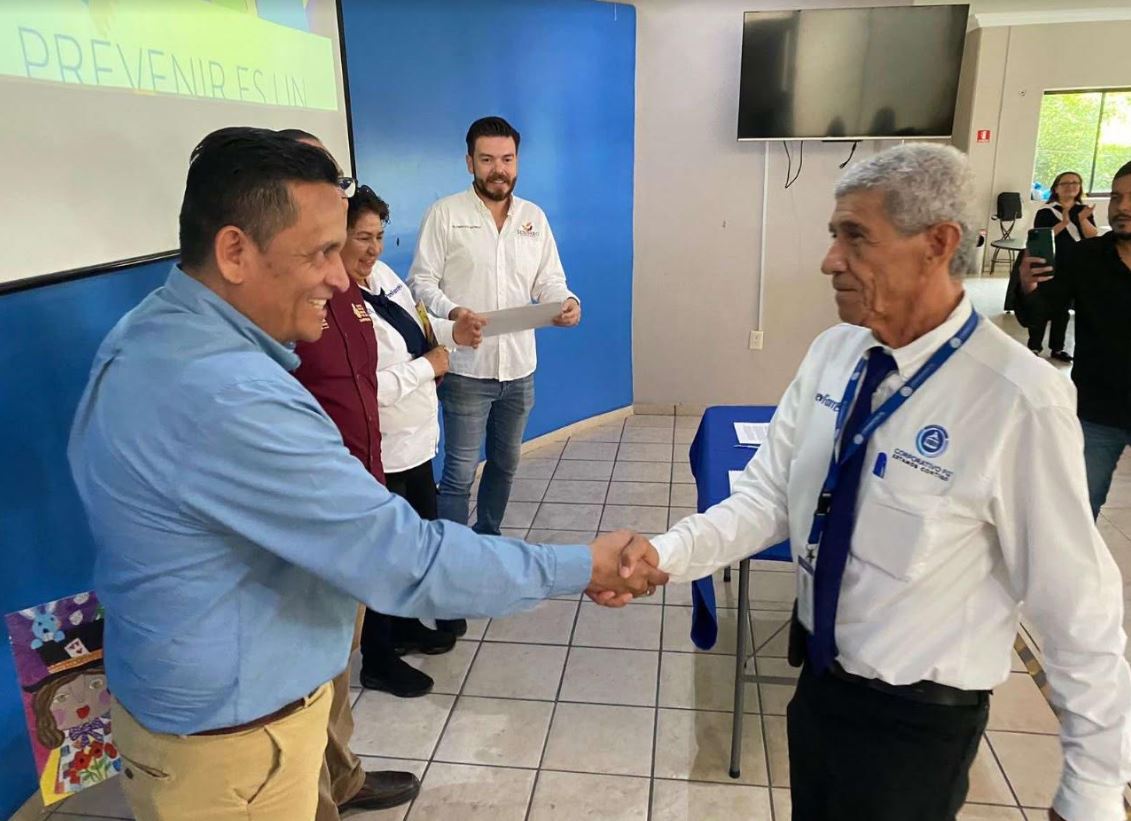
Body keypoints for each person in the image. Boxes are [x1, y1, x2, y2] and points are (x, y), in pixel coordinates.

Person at [67, 126, 665, 821]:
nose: (338, 275)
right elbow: (407, 560)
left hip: (209, 717)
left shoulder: (154, 328)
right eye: (321, 252)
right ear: (234, 251)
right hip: (235, 751)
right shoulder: (228, 393)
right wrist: (583, 564)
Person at [618, 144, 1131, 821]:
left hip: (913, 732)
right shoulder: (834, 354)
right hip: (819, 688)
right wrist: (665, 554)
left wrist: (1092, 790)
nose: (830, 260)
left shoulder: (1017, 399)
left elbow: (1077, 604)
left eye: (855, 236)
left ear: (937, 243)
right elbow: (767, 497)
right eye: (834, 235)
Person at [281, 127, 430, 819]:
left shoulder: (340, 286)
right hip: (316, 514)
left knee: (336, 663)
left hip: (361, 492)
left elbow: (361, 386)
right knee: (309, 670)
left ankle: (341, 777)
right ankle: (315, 797)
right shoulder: (271, 304)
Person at [408, 116, 581, 545]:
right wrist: (454, 312)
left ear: (517, 161)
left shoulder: (533, 217)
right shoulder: (445, 214)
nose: (498, 169)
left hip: (519, 370)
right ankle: (451, 555)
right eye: (487, 160)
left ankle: (488, 539)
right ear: (470, 162)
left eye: (506, 159)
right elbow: (421, 282)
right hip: (467, 369)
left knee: (505, 464)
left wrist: (566, 302)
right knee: (459, 472)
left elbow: (549, 280)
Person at [1020, 161, 1131, 519]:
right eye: (1117, 197)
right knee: (1075, 512)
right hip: (1097, 409)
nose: (1123, 207)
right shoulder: (1088, 257)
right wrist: (1028, 287)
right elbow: (1043, 310)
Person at [1025, 170, 1098, 360]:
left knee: (1062, 310)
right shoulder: (1046, 211)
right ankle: (1034, 346)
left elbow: (1092, 236)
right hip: (1048, 266)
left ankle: (1057, 348)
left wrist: (1082, 219)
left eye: (1075, 183)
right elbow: (1040, 238)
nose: (1071, 186)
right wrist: (1064, 223)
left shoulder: (1083, 210)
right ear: (1056, 188)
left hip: (1073, 267)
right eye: (1065, 183)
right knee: (1041, 307)